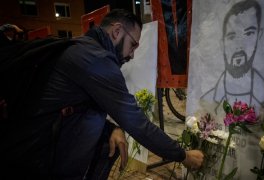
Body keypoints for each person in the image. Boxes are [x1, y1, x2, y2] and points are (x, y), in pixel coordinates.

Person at [1, 9, 204, 179]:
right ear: (116, 31)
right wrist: (183, 155)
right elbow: (136, 123)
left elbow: (72, 106)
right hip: (36, 160)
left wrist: (111, 129)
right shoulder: (96, 60)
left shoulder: (83, 47)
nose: (132, 55)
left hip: (34, 150)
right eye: (133, 45)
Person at [200, 0, 264, 115]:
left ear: (259, 36)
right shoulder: (204, 102)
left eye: (248, 34)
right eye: (232, 37)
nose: (239, 46)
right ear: (222, 44)